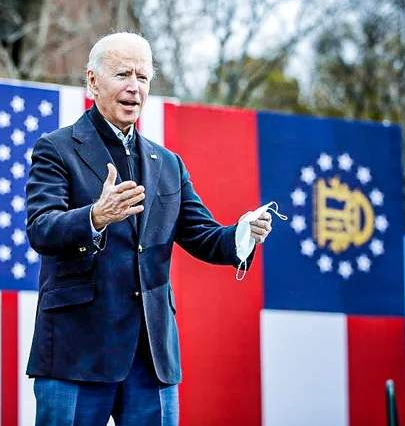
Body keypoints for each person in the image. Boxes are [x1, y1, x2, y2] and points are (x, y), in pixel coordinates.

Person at [25, 32, 274, 425]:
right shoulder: (56, 148)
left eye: (142, 77)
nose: (133, 87)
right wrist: (96, 216)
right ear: (92, 81)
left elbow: (205, 237)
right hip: (76, 351)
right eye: (122, 74)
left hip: (150, 356)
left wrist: (243, 232)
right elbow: (41, 228)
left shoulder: (167, 163)